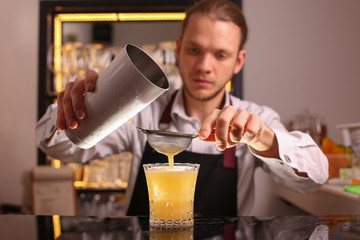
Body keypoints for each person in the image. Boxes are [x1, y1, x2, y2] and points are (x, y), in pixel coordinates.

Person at [36, 0, 328, 216]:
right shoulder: (140, 111)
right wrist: (74, 111)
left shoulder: (256, 118)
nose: (204, 66)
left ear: (238, 62)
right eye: (194, 50)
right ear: (177, 48)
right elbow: (57, 147)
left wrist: (263, 138)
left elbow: (316, 176)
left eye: (220, 54)